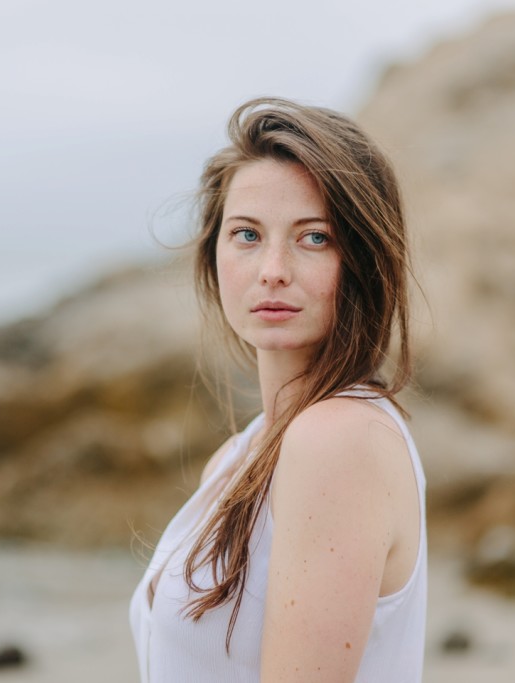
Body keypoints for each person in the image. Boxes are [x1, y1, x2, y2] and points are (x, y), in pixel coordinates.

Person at [129, 97, 426, 682]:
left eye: (313, 238)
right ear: (214, 254)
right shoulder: (238, 456)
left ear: (363, 260)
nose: (272, 269)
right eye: (246, 234)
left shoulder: (338, 438)